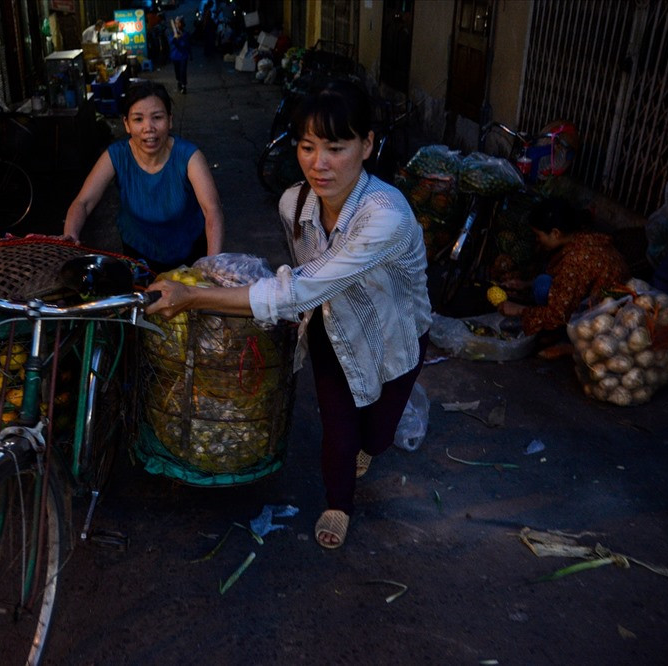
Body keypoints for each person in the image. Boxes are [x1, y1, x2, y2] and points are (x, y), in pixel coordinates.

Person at [146, 79, 432, 549]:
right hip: (331, 330)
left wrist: (193, 297)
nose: (319, 164)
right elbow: (303, 275)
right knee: (338, 432)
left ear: (367, 146)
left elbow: (299, 285)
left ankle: (369, 445)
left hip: (394, 337)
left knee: (377, 437)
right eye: (307, 146)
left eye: (336, 148)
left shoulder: (387, 215)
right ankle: (339, 502)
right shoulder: (292, 202)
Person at [61, 80, 224, 274]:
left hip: (188, 251)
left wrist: (213, 263)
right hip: (137, 253)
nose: (149, 127)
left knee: (186, 301)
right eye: (138, 119)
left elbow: (212, 210)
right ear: (126, 124)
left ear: (170, 120)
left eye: (157, 117)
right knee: (142, 301)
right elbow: (84, 202)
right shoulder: (116, 155)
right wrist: (70, 235)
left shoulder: (189, 156)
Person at [496, 198, 630, 345]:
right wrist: (526, 284)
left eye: (538, 235)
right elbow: (565, 280)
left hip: (603, 320)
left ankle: (562, 339)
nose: (537, 241)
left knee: (542, 285)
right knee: (540, 281)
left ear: (555, 233)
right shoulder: (583, 238)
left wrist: (518, 310)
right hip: (607, 301)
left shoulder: (576, 260)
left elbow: (557, 314)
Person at [169, 17, 192, 93]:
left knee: (183, 71)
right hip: (175, 56)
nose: (178, 24)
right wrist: (175, 38)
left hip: (183, 56)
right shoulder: (172, 34)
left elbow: (188, 45)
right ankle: (179, 81)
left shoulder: (186, 34)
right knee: (177, 72)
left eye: (179, 23)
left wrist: (191, 54)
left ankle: (184, 86)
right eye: (176, 23)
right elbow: (170, 42)